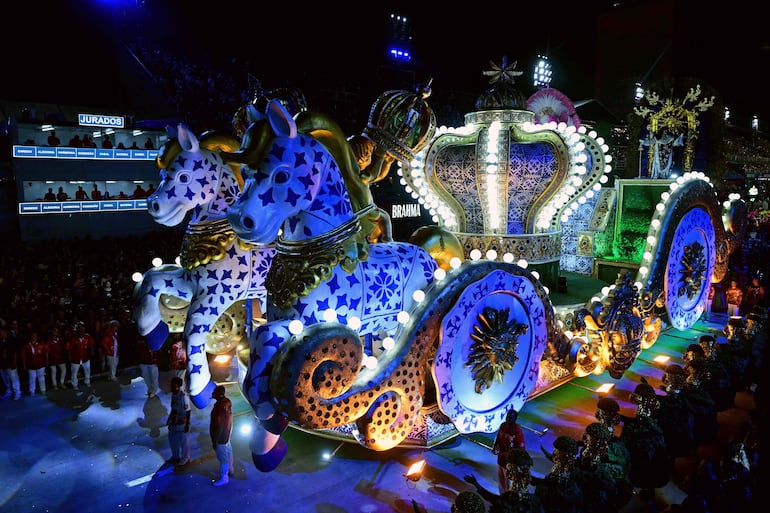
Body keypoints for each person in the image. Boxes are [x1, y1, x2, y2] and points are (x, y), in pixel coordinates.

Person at [492, 408, 526, 494]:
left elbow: (520, 448)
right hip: (500, 459)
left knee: (508, 480)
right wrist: (495, 446)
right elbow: (498, 438)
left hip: (509, 462)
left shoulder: (517, 431)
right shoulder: (503, 426)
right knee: (501, 478)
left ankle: (508, 496)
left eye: (510, 417)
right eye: (507, 416)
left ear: (514, 419)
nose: (508, 419)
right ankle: (502, 494)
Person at [209, 384, 233, 486]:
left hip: (221, 437)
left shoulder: (219, 406)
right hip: (227, 434)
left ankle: (224, 477)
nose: (212, 393)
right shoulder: (227, 401)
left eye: (214, 392)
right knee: (228, 452)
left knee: (222, 457)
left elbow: (218, 425)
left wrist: (215, 441)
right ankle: (230, 469)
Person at [166, 376, 191, 465]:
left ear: (178, 386)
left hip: (182, 423)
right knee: (173, 440)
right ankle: (175, 456)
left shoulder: (183, 396)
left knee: (184, 441)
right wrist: (169, 419)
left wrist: (187, 425)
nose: (171, 387)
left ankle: (185, 458)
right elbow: (173, 408)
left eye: (173, 385)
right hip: (174, 421)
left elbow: (188, 411)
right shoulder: (173, 395)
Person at [66, 322, 94, 388]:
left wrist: (92, 350)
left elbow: (91, 344)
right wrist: (69, 356)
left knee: (87, 370)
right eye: (80, 329)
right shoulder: (73, 338)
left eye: (82, 329)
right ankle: (74, 384)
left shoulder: (87, 336)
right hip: (75, 359)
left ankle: (87, 382)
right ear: (77, 330)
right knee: (74, 372)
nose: (81, 330)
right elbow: (68, 349)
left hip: (85, 357)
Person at [20, 330, 47, 396]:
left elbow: (45, 353)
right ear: (30, 337)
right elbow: (23, 356)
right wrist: (24, 365)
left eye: (35, 336)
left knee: (41, 378)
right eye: (32, 336)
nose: (34, 337)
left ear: (37, 337)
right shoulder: (26, 346)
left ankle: (43, 390)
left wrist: (46, 361)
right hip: (31, 366)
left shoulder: (41, 344)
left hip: (40, 364)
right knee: (32, 378)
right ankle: (32, 391)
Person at [0, 326, 22, 400]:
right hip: (2, 365)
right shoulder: (0, 341)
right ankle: (8, 392)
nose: (1, 334)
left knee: (14, 379)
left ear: (5, 332)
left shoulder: (11, 340)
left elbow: (15, 353)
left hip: (11, 364)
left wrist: (14, 363)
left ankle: (17, 393)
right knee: (6, 380)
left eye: (2, 332)